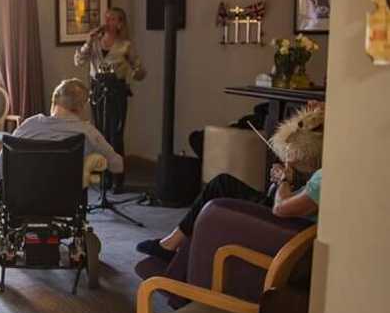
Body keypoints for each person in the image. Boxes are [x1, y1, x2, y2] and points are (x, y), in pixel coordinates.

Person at [136, 103, 324, 261]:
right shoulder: (326, 172)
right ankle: (176, 244)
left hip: (284, 228)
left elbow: (280, 209)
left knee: (221, 187)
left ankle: (171, 245)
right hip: (292, 223)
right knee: (223, 184)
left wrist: (284, 180)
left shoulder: (322, 179)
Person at [73, 7, 146, 193]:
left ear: (120, 23)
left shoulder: (125, 45)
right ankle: (103, 176)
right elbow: (79, 61)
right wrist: (88, 41)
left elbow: (139, 70)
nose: (107, 21)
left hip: (116, 91)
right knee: (99, 134)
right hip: (98, 90)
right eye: (106, 17)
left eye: (112, 18)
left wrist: (136, 72)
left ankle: (117, 178)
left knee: (115, 135)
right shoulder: (95, 43)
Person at [0, 78, 123, 179]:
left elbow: (0, 168)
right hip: (63, 200)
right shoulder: (88, 132)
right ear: (81, 107)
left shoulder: (29, 125)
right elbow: (117, 166)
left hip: (21, 199)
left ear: (54, 102)